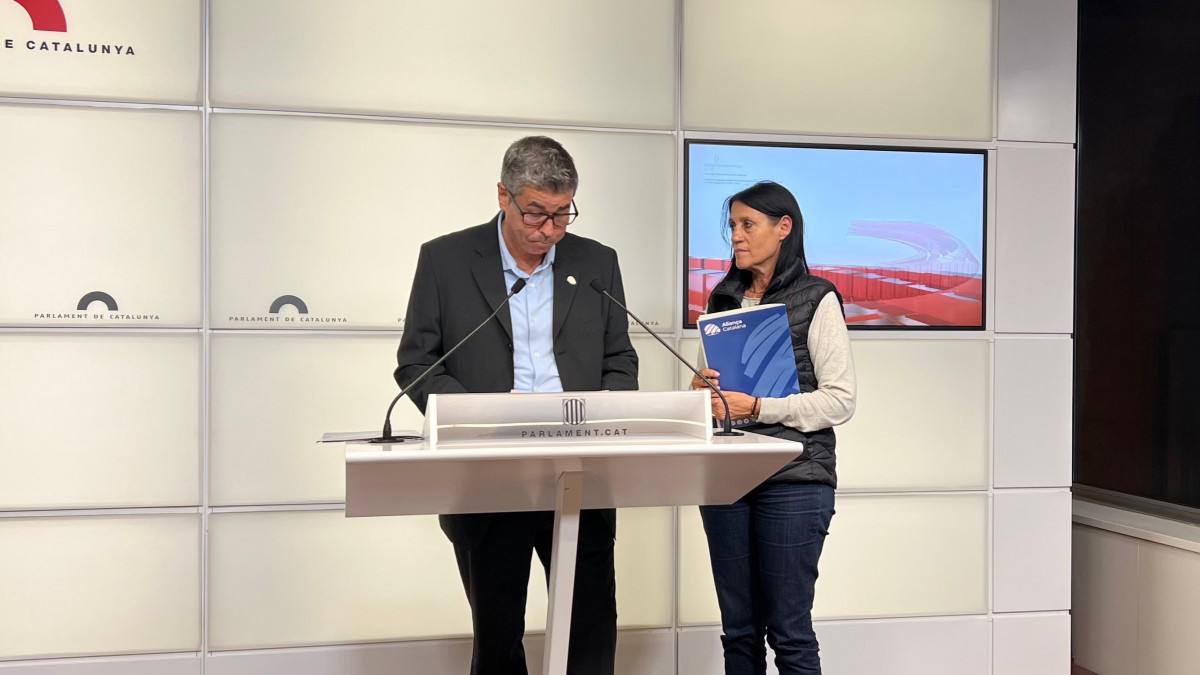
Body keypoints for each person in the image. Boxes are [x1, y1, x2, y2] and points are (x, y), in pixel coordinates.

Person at [395, 135, 638, 675]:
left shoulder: (597, 262)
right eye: (535, 213)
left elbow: (620, 358)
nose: (548, 231)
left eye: (561, 215)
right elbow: (417, 362)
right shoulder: (446, 260)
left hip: (580, 466)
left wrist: (605, 415)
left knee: (590, 624)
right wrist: (475, 420)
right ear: (503, 196)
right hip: (487, 470)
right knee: (499, 628)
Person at [690, 181, 856, 675]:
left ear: (783, 228)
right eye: (733, 226)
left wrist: (759, 406)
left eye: (748, 225)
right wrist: (700, 389)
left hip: (795, 478)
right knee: (738, 633)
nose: (736, 237)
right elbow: (709, 402)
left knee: (789, 633)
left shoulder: (817, 297)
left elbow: (840, 400)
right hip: (725, 477)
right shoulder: (721, 300)